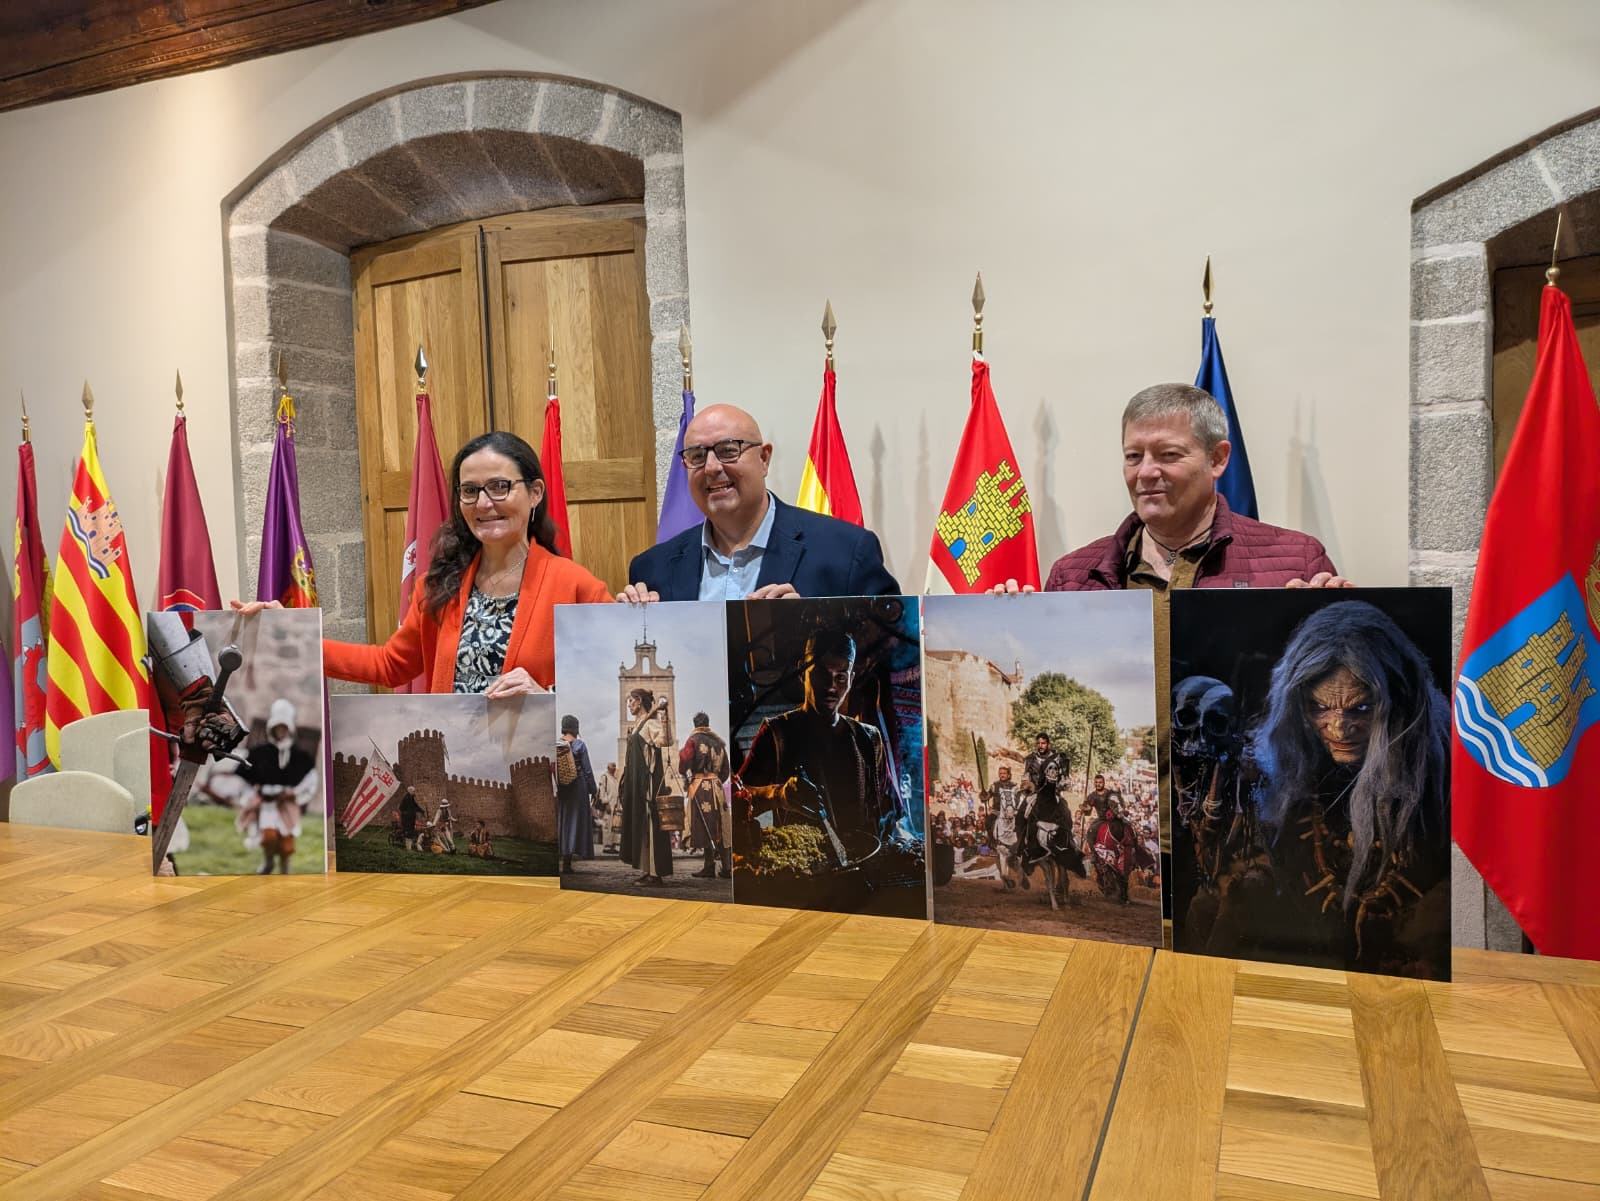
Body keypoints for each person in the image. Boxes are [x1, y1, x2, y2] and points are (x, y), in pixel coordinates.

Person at [235, 431, 611, 693]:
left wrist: (549, 696)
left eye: (499, 487)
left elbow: (611, 680)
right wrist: (290, 634)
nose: (483, 503)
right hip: (458, 773)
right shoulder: (439, 584)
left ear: (534, 493)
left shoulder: (577, 586)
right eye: (469, 491)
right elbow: (388, 665)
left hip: (543, 780)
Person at [1206, 601, 1451, 977]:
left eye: (1361, 708)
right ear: (1297, 704)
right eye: (1320, 708)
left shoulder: (1444, 766)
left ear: (1397, 701)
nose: (1338, 729)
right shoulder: (1272, 765)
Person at [618, 404, 900, 603]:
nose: (712, 467)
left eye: (728, 450)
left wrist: (815, 630)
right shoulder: (652, 568)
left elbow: (895, 662)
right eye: (697, 456)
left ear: (764, 459)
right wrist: (625, 626)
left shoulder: (846, 553)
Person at [736, 630, 904, 852]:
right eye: (822, 674)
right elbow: (736, 799)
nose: (831, 686)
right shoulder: (777, 734)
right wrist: (779, 795)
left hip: (864, 867)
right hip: (805, 871)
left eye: (840, 677)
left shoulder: (869, 739)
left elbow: (889, 807)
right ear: (802, 672)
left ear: (851, 680)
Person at [236, 698, 319, 874]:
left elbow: (310, 780)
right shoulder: (259, 753)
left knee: (287, 842)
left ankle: (285, 868)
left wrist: (294, 794)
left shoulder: (300, 756)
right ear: (272, 728)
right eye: (277, 727)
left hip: (287, 803)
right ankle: (268, 862)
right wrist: (254, 793)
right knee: (269, 836)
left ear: (289, 729)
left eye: (284, 727)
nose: (280, 731)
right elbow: (245, 777)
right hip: (267, 803)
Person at [620, 687, 674, 885]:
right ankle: (646, 869)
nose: (629, 705)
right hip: (636, 784)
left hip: (647, 784)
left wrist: (665, 716)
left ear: (640, 701)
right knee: (641, 827)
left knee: (650, 825)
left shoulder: (650, 724)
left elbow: (666, 741)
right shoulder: (636, 726)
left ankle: (655, 873)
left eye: (631, 701)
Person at [680, 711, 732, 879]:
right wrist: (715, 779)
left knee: (704, 825)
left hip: (700, 787)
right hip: (717, 787)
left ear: (695, 725)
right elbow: (725, 770)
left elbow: (684, 762)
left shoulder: (693, 740)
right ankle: (726, 867)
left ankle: (709, 866)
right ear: (707, 724)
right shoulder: (719, 743)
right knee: (720, 825)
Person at [557, 714, 598, 873]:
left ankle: (563, 857)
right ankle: (568, 862)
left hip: (563, 788)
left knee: (565, 821)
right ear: (575, 728)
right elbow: (587, 770)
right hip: (577, 787)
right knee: (576, 822)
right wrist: (593, 790)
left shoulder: (558, 744)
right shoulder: (580, 745)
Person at [597, 762, 621, 852]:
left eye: (615, 766)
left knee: (614, 826)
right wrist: (606, 803)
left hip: (615, 806)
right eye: (612, 766)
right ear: (608, 767)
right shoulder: (604, 777)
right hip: (608, 805)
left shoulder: (614, 779)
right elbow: (602, 791)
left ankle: (613, 845)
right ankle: (607, 846)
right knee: (607, 825)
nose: (614, 768)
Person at [399, 787, 423, 852]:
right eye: (414, 791)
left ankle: (409, 847)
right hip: (407, 820)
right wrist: (406, 814)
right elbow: (401, 808)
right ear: (410, 791)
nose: (414, 792)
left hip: (411, 819)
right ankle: (408, 849)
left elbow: (415, 806)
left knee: (411, 833)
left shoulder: (411, 798)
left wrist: (421, 810)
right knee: (408, 833)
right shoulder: (406, 798)